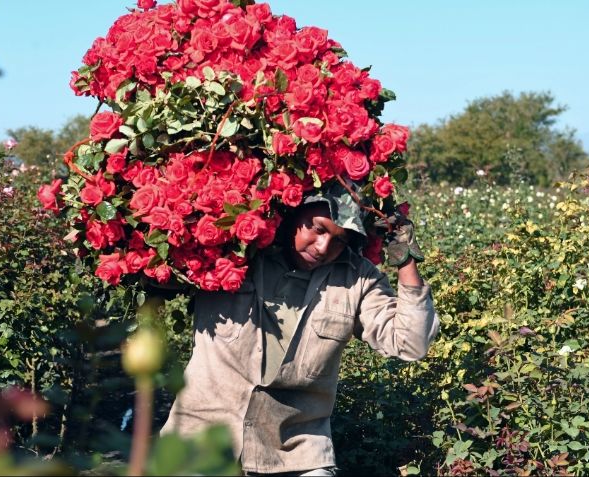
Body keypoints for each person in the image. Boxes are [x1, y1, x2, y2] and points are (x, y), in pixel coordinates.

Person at [160, 181, 439, 476]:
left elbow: (411, 342)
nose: (323, 248)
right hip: (199, 438)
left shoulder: (356, 279)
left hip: (295, 453)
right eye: (318, 229)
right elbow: (159, 262)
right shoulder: (231, 252)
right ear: (294, 215)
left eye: (339, 240)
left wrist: (405, 259)